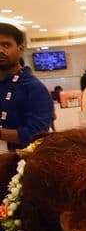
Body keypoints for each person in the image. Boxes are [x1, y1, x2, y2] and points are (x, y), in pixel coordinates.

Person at [0, 23, 53, 152]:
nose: (0, 50)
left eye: (6, 45)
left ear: (20, 49)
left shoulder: (34, 88)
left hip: (19, 160)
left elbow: (37, 133)